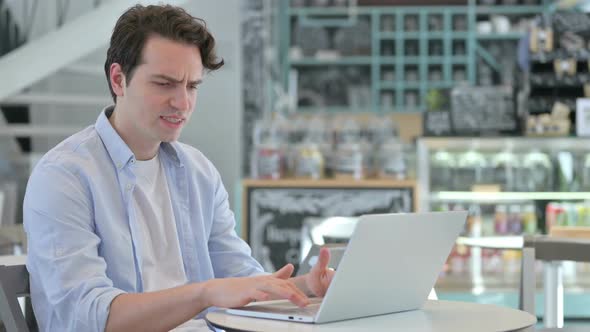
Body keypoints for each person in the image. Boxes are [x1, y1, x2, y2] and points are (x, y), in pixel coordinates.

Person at [23, 4, 334, 332]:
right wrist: (204, 293)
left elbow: (243, 283)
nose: (183, 103)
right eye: (164, 84)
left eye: (192, 86)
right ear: (118, 79)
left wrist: (306, 288)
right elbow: (87, 318)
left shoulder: (198, 172)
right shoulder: (64, 177)